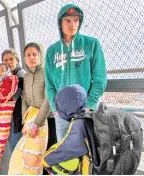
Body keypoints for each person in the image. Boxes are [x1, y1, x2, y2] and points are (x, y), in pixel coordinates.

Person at [45, 4, 107, 141]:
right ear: (60, 23)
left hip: (85, 111)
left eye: (76, 20)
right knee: (66, 156)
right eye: (67, 20)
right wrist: (55, 109)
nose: (73, 24)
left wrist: (90, 105)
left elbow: (100, 78)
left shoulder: (91, 44)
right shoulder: (51, 51)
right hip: (61, 113)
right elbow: (49, 85)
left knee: (88, 153)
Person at [21, 43, 56, 174]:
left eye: (34, 54)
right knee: (34, 157)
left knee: (48, 156)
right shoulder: (26, 76)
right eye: (28, 55)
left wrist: (36, 124)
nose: (31, 58)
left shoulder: (48, 72)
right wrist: (26, 122)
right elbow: (24, 98)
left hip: (48, 120)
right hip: (32, 121)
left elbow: (48, 100)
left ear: (40, 55)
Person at [1, 48, 25, 152]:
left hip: (18, 118)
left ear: (17, 60)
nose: (8, 62)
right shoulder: (7, 75)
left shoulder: (20, 74)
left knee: (16, 149)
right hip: (11, 117)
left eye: (11, 59)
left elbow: (13, 96)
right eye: (5, 60)